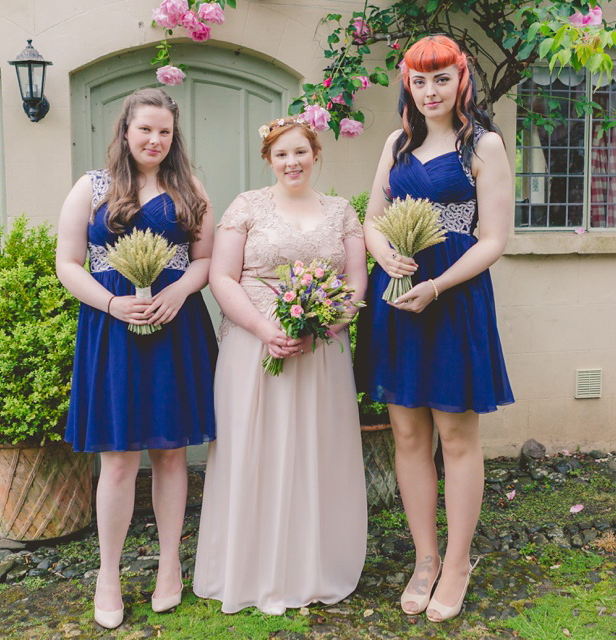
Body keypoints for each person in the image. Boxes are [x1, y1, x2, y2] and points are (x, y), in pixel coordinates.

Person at [354, 35, 515, 622]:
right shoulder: (397, 143)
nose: (429, 91)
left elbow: (494, 239)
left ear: (460, 80)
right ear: (408, 84)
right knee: (407, 434)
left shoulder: (483, 144)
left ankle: (458, 562)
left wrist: (438, 285)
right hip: (398, 295)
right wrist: (384, 255)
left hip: (451, 296)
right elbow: (371, 218)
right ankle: (425, 558)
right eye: (419, 81)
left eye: (440, 79)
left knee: (456, 434)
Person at [55, 88, 218, 628]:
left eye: (165, 131)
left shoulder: (188, 186)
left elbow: (205, 259)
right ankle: (109, 574)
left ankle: (170, 565)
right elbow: (68, 263)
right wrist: (110, 302)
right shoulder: (93, 187)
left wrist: (179, 293)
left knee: (171, 453)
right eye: (145, 129)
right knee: (119, 457)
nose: (155, 139)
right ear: (126, 130)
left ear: (174, 137)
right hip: (112, 329)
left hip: (175, 326)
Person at [194, 116, 368, 615]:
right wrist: (264, 328)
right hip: (253, 347)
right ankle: (248, 571)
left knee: (317, 452)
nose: (292, 162)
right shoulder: (246, 207)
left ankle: (312, 566)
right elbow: (222, 277)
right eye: (282, 154)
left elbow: (356, 283)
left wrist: (325, 327)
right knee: (253, 451)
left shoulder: (340, 212)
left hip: (321, 352)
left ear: (316, 155)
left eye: (301, 152)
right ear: (268, 160)